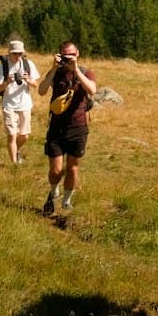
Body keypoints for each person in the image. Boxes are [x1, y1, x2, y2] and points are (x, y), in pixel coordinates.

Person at [38, 41, 96, 213]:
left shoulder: (85, 72)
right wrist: (53, 69)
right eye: (65, 55)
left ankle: (66, 201)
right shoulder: (56, 72)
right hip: (56, 127)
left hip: (78, 127)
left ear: (77, 54)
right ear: (60, 55)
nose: (69, 57)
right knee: (55, 169)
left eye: (72, 54)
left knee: (72, 168)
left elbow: (92, 90)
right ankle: (54, 190)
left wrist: (76, 69)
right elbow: (41, 90)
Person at [0, 39, 40, 165]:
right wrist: (7, 82)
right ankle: (14, 165)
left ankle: (15, 151)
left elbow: (36, 84)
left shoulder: (28, 64)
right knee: (12, 135)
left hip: (25, 104)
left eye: (20, 53)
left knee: (24, 135)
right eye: (15, 53)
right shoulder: (2, 67)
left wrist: (28, 80)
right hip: (9, 105)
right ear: (9, 53)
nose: (18, 56)